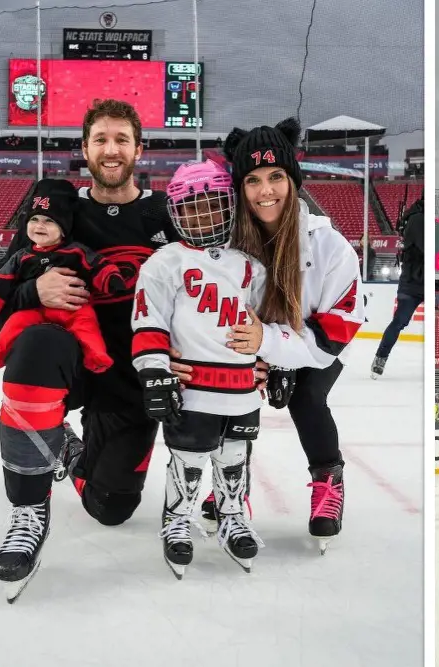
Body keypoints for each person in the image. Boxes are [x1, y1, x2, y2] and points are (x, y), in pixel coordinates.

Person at [0, 99, 181, 602]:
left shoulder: (164, 215)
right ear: (85, 149)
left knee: (110, 510)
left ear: (139, 149)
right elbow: (1, 301)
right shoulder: (57, 211)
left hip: (131, 381)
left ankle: (71, 449)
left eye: (121, 140)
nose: (111, 150)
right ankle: (28, 511)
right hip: (70, 364)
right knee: (37, 342)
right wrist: (34, 292)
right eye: (100, 139)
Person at [196, 117, 365, 554]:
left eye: (275, 176)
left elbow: (332, 337)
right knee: (231, 391)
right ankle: (232, 477)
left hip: (310, 351)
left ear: (293, 179)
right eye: (252, 180)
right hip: (249, 349)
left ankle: (328, 479)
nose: (264, 190)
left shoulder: (331, 248)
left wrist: (270, 346)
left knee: (308, 399)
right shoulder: (227, 244)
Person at [129, 159, 272, 577]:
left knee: (234, 455)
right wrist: (155, 370)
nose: (202, 214)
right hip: (192, 385)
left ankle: (232, 516)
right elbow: (148, 319)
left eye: (211, 203)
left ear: (229, 204)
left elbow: (268, 323)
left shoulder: (250, 264)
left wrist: (276, 365)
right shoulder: (164, 262)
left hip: (242, 385)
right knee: (188, 458)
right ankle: (177, 518)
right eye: (191, 207)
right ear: (176, 213)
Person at [0, 179, 129, 371]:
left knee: (86, 325)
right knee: (17, 323)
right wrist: (31, 292)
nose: (39, 226)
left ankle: (96, 356)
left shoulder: (77, 249)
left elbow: (98, 266)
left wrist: (112, 280)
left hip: (81, 320)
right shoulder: (22, 253)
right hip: (36, 343)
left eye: (48, 221)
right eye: (34, 219)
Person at [371, 196, 423, 378]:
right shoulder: (418, 219)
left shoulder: (416, 216)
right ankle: (380, 357)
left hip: (418, 279)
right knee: (399, 321)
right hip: (413, 281)